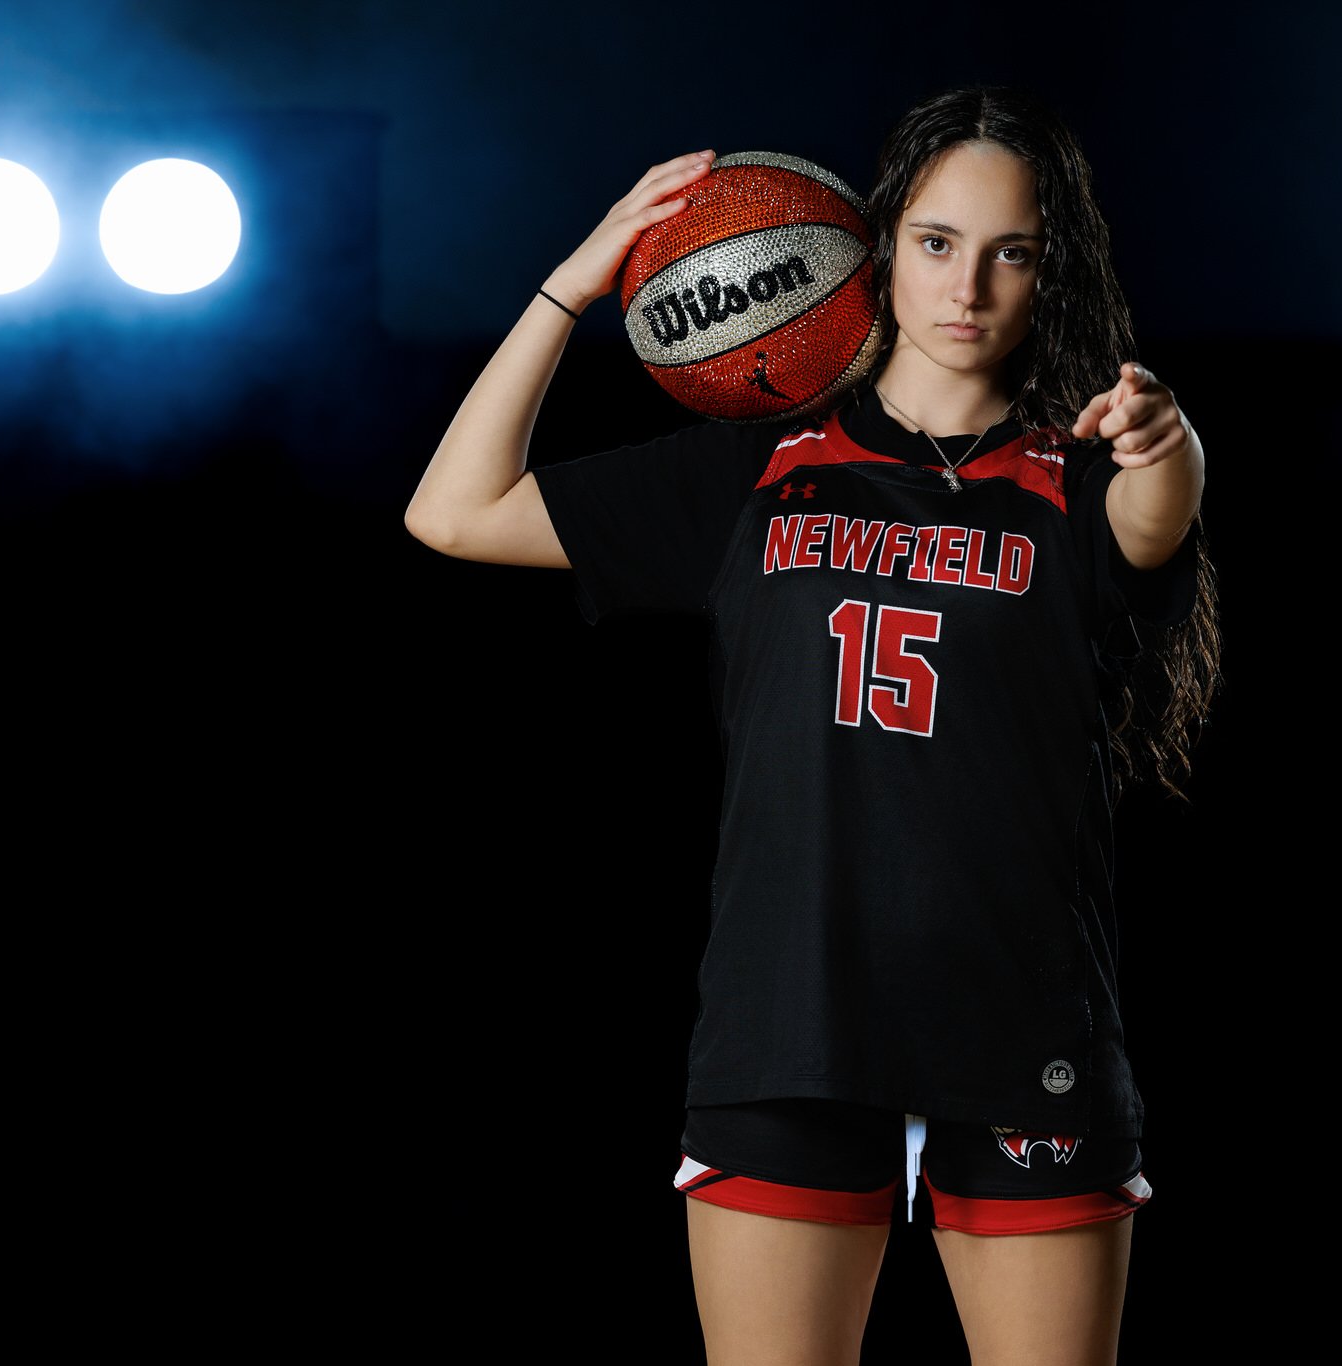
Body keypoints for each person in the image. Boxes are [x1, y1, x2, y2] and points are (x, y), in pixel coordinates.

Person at [405, 83, 1220, 1366]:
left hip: (1020, 1028)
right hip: (788, 1021)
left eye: (1014, 253)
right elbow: (452, 510)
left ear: (1049, 275)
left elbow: (1157, 514)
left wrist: (1164, 436)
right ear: (875, 241)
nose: (969, 288)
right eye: (938, 243)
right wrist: (577, 283)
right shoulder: (759, 467)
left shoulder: (1081, 481)